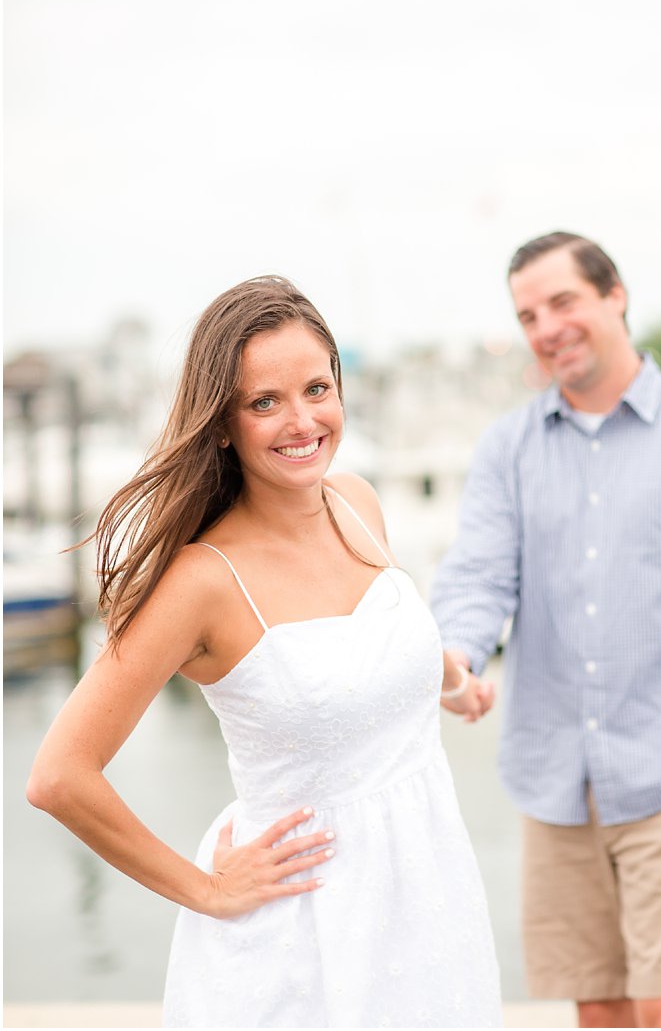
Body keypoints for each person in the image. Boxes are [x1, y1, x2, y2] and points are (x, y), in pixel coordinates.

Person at [27, 276, 503, 1028]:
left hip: (428, 900)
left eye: (318, 387)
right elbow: (58, 776)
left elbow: (378, 640)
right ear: (222, 424)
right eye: (264, 401)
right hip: (301, 940)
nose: (302, 419)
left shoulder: (359, 502)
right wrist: (208, 888)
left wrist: (447, 678)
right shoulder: (199, 583)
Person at [430, 232, 661, 1028]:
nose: (546, 327)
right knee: (600, 1009)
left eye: (563, 301)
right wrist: (456, 658)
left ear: (615, 295)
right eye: (528, 314)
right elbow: (478, 576)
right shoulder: (507, 447)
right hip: (553, 781)